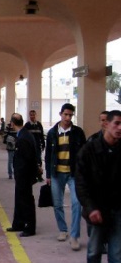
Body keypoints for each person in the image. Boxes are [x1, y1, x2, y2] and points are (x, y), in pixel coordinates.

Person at [75, 110, 121, 263]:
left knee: (117, 255)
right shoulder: (89, 150)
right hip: (97, 210)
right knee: (94, 252)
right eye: (117, 123)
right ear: (106, 124)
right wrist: (90, 208)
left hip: (117, 210)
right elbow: (81, 183)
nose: (120, 128)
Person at [45, 103, 86, 251]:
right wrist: (48, 175)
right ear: (60, 114)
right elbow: (48, 154)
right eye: (65, 114)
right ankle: (63, 230)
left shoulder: (78, 132)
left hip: (73, 174)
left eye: (70, 115)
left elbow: (84, 154)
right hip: (56, 174)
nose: (68, 118)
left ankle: (74, 236)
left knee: (77, 204)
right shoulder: (52, 133)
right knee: (57, 204)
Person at [6, 113, 38, 237]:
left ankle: (30, 227)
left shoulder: (23, 138)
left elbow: (27, 159)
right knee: (20, 199)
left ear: (13, 123)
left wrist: (23, 174)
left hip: (24, 175)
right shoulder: (24, 134)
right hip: (23, 174)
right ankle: (18, 223)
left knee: (26, 200)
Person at [24, 110, 46, 182]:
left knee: (39, 161)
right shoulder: (27, 125)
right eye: (31, 115)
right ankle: (31, 175)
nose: (32, 117)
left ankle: (39, 175)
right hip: (30, 147)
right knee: (30, 161)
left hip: (37, 146)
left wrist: (43, 144)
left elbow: (41, 135)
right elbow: (25, 136)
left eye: (33, 115)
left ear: (36, 115)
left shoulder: (39, 125)